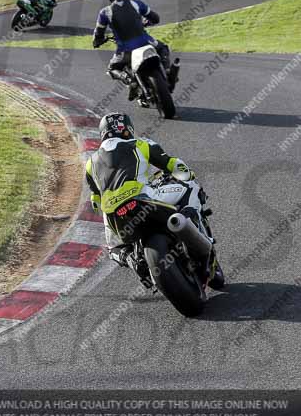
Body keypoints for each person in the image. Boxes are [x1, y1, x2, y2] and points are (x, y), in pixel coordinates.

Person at [85, 112, 221, 288]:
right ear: (128, 129)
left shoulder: (90, 163)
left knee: (113, 248)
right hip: (144, 199)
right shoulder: (141, 144)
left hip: (114, 215)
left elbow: (95, 201)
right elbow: (172, 165)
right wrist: (187, 175)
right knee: (191, 187)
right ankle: (188, 220)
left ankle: (133, 259)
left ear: (102, 133)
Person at [92, 0, 170, 102]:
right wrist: (146, 21)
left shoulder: (105, 12)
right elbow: (155, 18)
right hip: (146, 42)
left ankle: (128, 79)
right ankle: (166, 70)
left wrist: (98, 41)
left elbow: (98, 33)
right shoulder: (137, 4)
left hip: (125, 51)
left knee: (112, 69)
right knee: (163, 48)